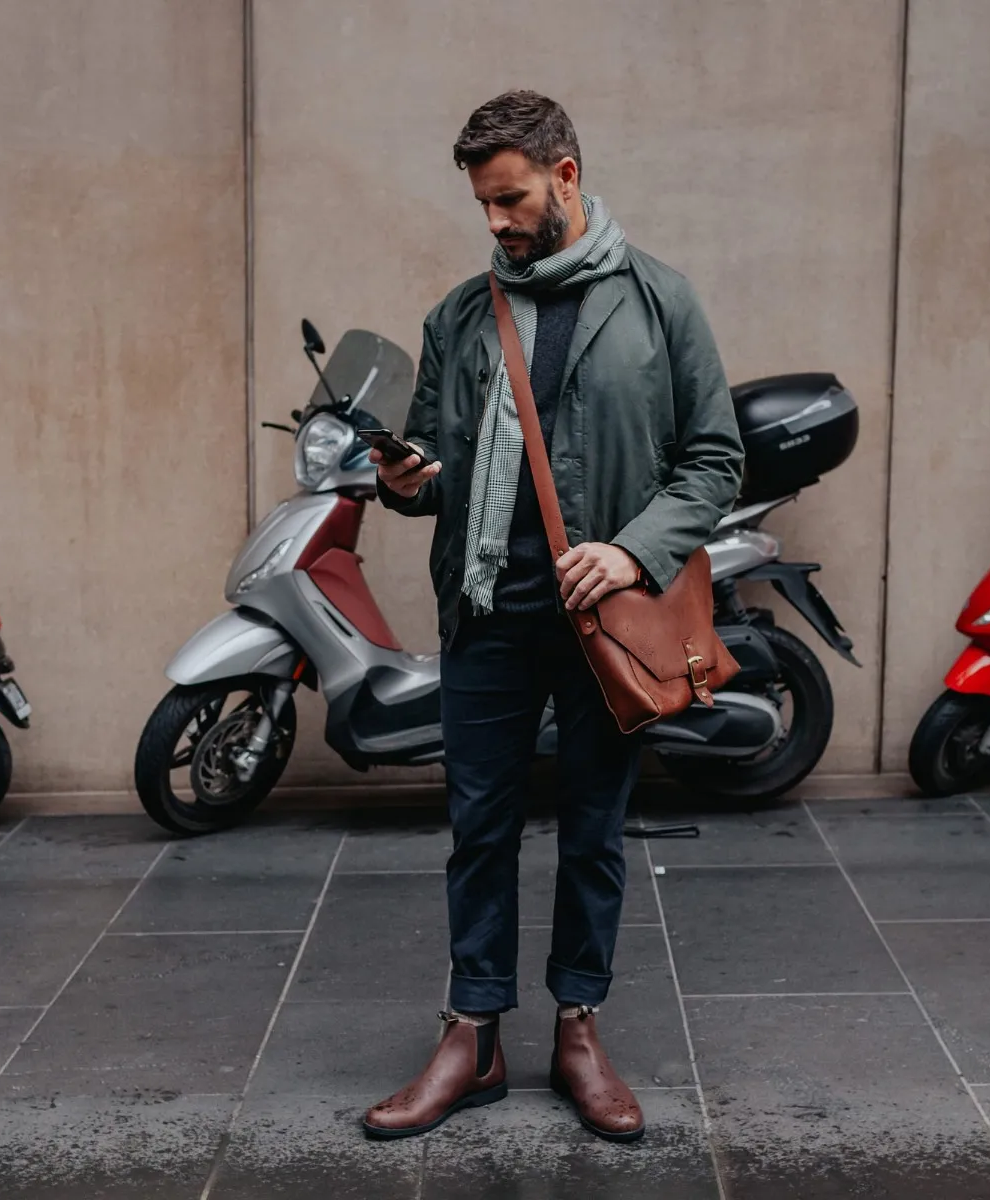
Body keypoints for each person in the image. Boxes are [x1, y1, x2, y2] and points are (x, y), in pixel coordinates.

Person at [362, 90, 743, 1143]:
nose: (496, 222)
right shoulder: (458, 317)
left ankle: (580, 1025)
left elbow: (715, 460)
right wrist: (406, 477)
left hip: (609, 622)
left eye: (512, 198)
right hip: (488, 610)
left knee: (594, 831)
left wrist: (630, 548)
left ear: (565, 176)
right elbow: (442, 470)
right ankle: (472, 1034)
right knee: (477, 828)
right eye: (484, 204)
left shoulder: (661, 302)